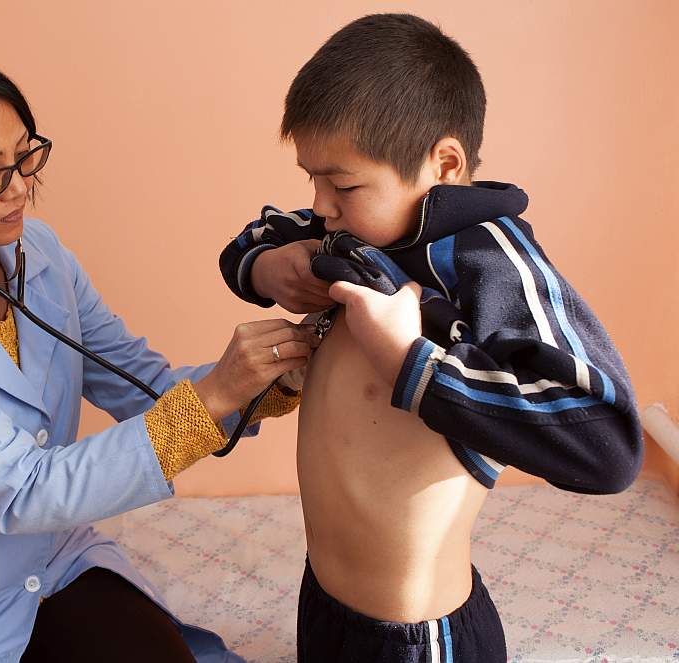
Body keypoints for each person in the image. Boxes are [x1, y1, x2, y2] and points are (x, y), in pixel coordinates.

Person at [0, 45, 317, 663]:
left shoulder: (38, 253)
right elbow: (20, 490)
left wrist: (270, 380)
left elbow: (140, 384)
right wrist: (216, 394)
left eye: (25, 155)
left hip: (53, 559)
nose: (20, 187)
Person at [217, 14, 642, 662]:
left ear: (443, 162)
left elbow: (607, 441)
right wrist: (268, 266)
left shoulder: (494, 263)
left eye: (342, 183)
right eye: (312, 179)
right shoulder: (357, 228)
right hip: (322, 603)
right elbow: (255, 238)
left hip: (415, 638)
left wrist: (413, 362)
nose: (322, 205)